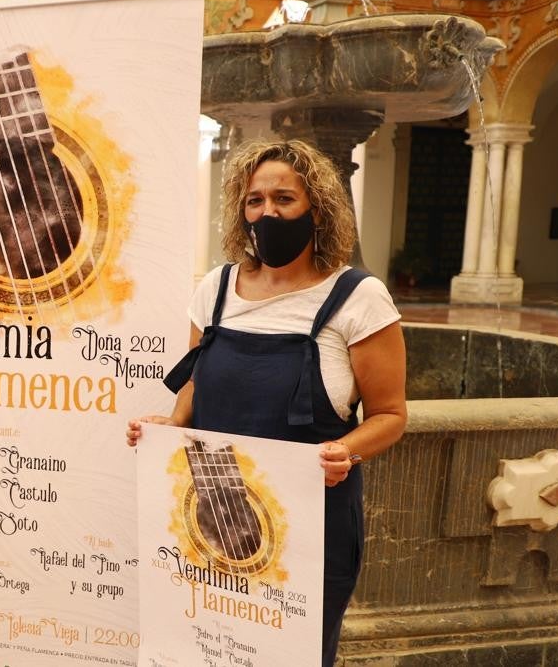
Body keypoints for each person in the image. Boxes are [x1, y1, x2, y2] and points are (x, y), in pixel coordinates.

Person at [125, 140, 406, 666]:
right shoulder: (217, 288)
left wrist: (345, 451)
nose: (267, 212)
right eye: (255, 201)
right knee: (202, 651)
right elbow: (195, 382)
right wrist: (170, 426)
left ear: (316, 209)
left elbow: (391, 416)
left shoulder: (357, 297)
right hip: (210, 514)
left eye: (283, 199)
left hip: (309, 525)